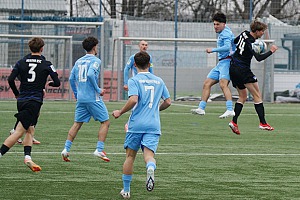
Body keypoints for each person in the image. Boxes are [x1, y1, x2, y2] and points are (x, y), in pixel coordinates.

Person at [112, 51, 171, 199]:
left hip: (136, 124)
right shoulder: (159, 80)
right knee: (149, 155)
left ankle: (126, 190)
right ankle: (150, 168)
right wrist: (156, 110)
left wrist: (120, 111)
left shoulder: (134, 80)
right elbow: (168, 102)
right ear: (149, 64)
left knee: (130, 156)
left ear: (135, 65)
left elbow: (133, 99)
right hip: (153, 125)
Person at [0, 37, 61, 172]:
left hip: (22, 100)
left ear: (30, 48)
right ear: (42, 48)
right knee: (19, 132)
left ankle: (27, 157)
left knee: (30, 128)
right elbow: (57, 82)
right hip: (34, 101)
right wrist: (48, 84)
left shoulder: (21, 62)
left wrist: (17, 93)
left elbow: (10, 79)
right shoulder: (47, 63)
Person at [61, 36, 110, 162]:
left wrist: (77, 94)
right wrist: (98, 90)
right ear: (94, 47)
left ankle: (66, 149)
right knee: (105, 122)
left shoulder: (78, 61)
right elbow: (90, 74)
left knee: (77, 123)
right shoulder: (96, 61)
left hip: (82, 98)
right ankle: (99, 149)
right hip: (93, 98)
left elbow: (71, 79)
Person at [228, 20, 278, 135]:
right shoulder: (251, 43)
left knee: (243, 96)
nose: (262, 34)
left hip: (233, 68)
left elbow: (235, 42)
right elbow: (259, 58)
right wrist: (271, 51)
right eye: (262, 32)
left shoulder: (244, 33)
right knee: (257, 95)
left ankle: (234, 122)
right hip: (243, 70)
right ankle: (263, 123)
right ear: (257, 31)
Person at [191, 12, 236, 118]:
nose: (215, 26)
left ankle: (230, 109)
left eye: (217, 24)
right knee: (207, 83)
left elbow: (226, 47)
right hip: (221, 63)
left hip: (227, 61)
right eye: (214, 24)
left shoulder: (226, 33)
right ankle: (201, 108)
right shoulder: (224, 31)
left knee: (223, 84)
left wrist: (213, 50)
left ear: (223, 24)